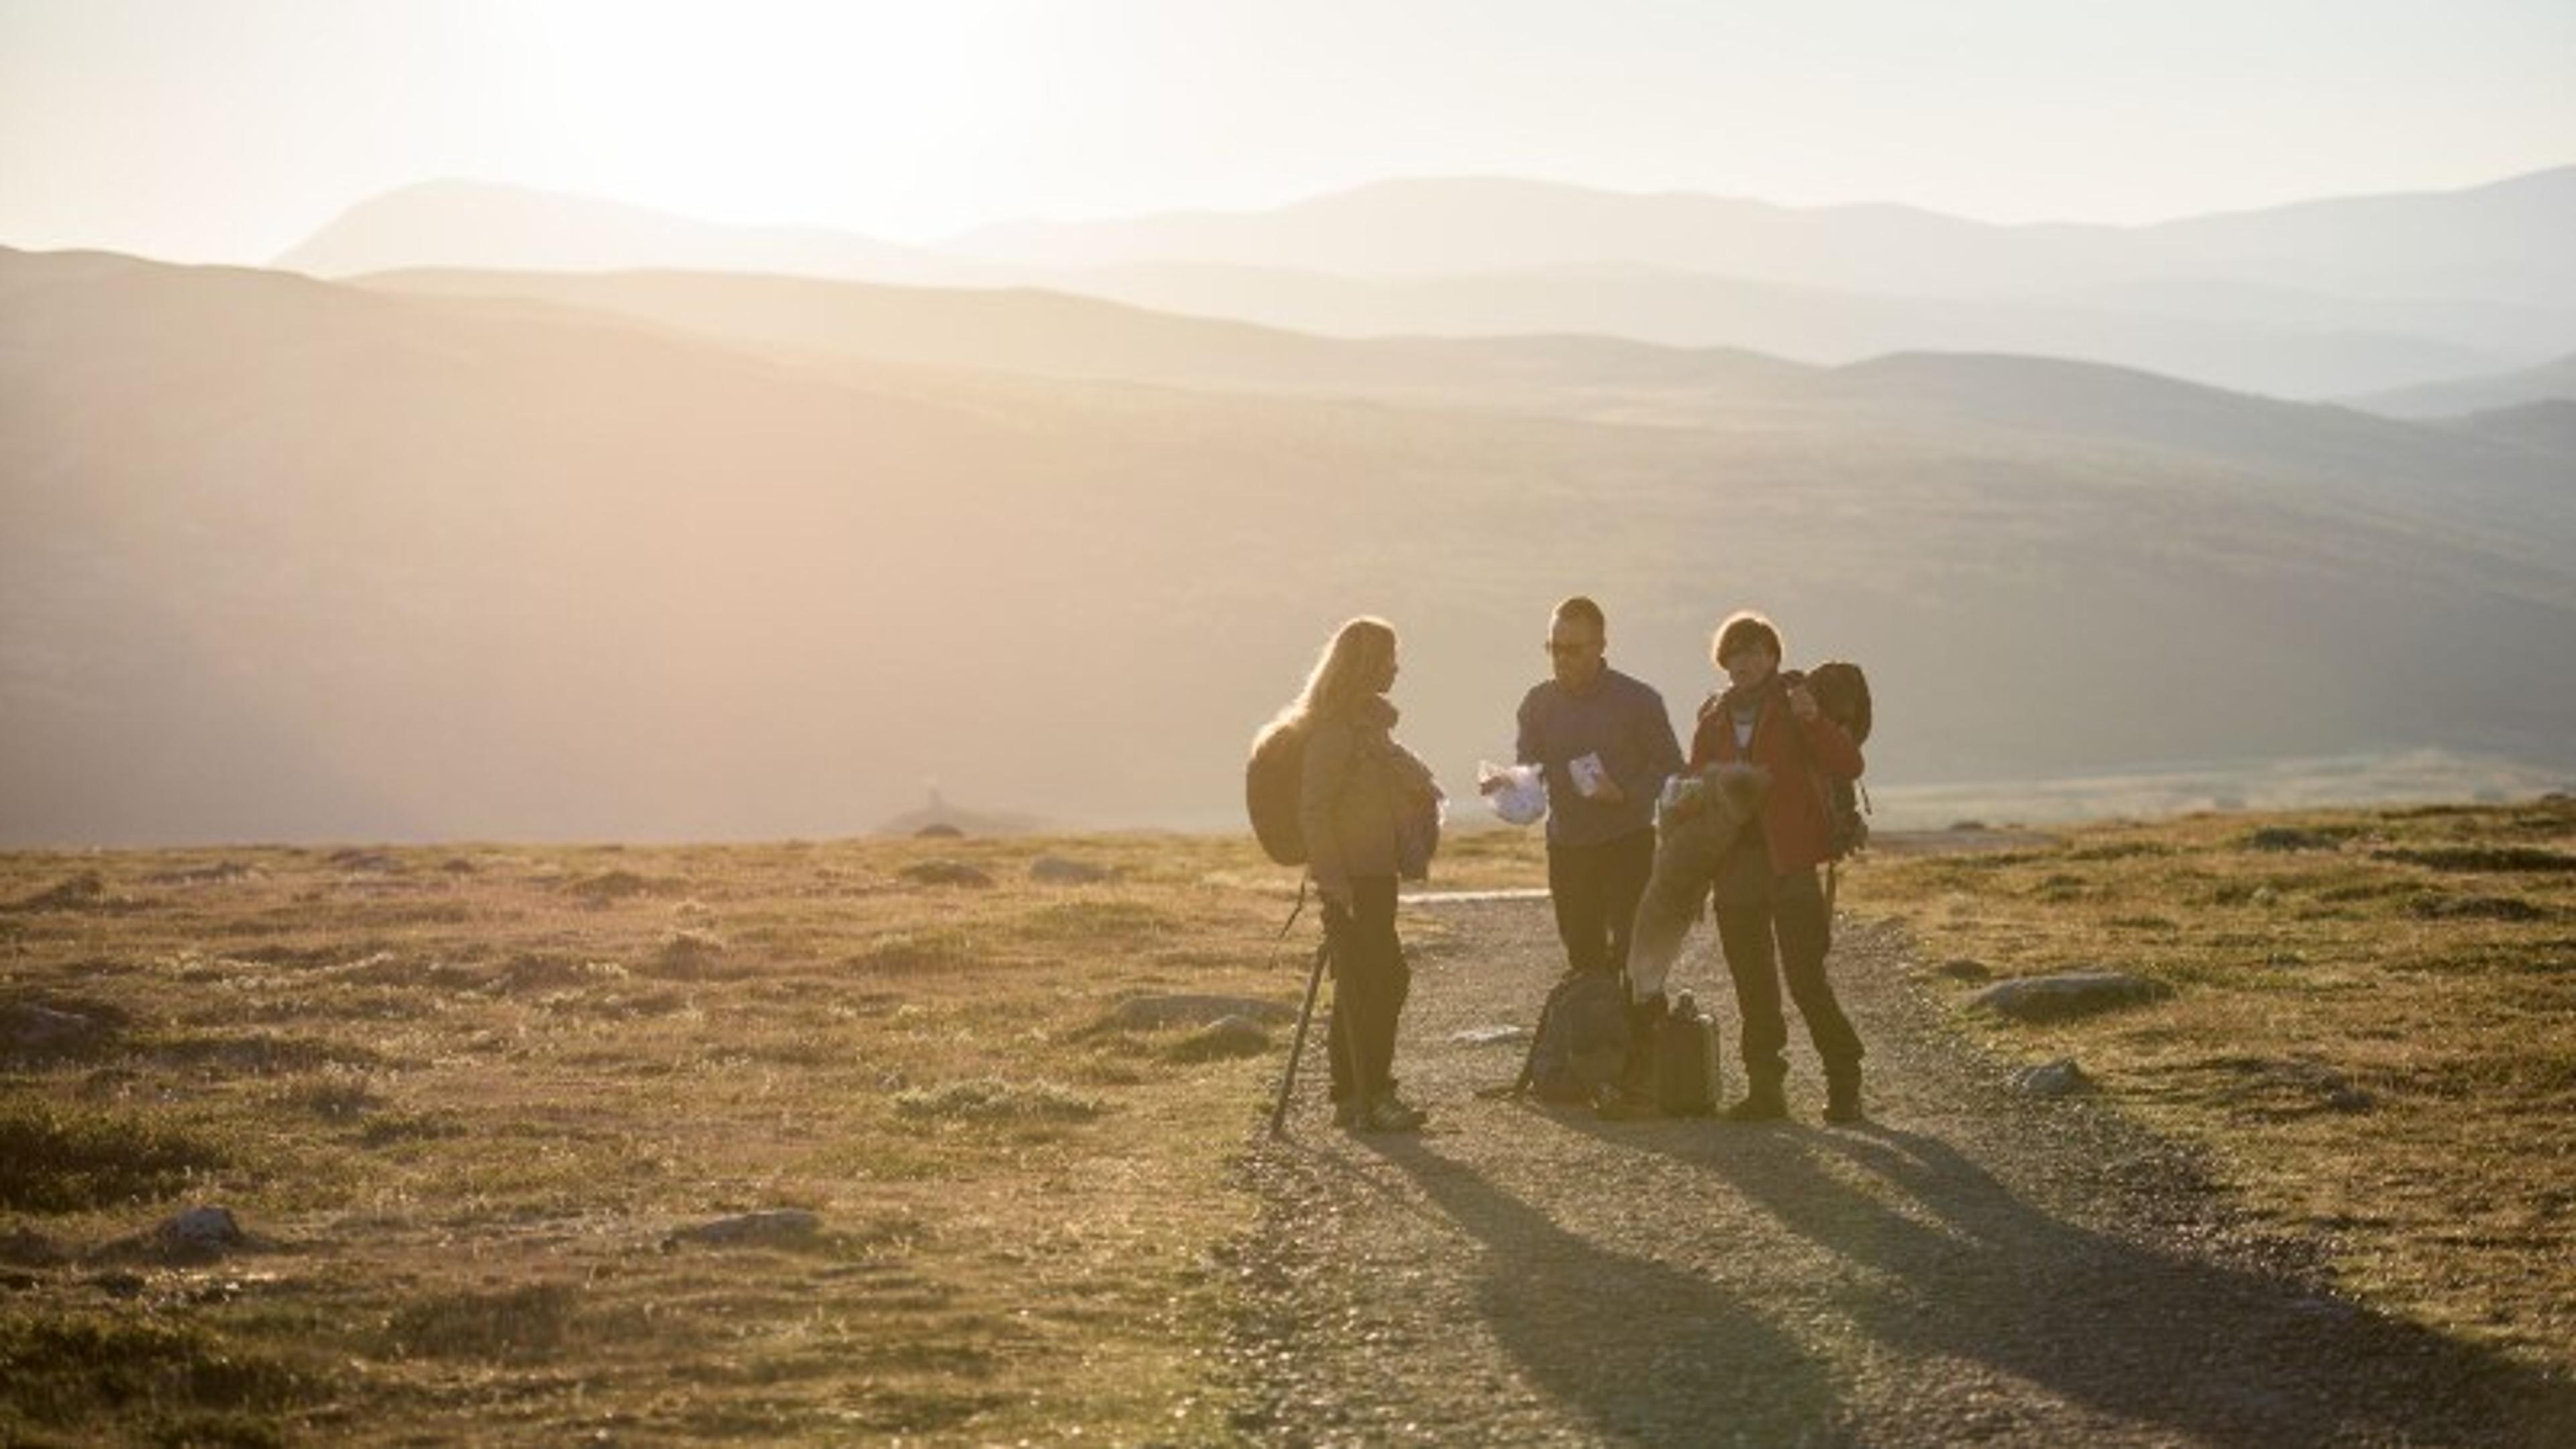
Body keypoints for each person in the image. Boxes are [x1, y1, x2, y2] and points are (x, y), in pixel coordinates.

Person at [1689, 610, 1868, 1124]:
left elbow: (1848, 765)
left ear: (1772, 658)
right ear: (1723, 661)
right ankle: (1766, 1091)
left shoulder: (1795, 706)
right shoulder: (1713, 718)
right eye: (1735, 652)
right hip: (1735, 867)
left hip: (1790, 864)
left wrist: (1814, 719)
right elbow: (1697, 783)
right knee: (1753, 985)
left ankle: (1844, 1080)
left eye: (1754, 651)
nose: (1743, 661)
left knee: (1806, 980)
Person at [1495, 597, 1684, 1042]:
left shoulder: (1638, 700)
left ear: (1601, 645)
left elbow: (1672, 766)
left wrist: (1627, 794)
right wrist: (1510, 789)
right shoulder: (1537, 703)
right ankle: (1594, 1058)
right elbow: (1529, 768)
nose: (1563, 658)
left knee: (1634, 956)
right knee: (1582, 955)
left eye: (1574, 648)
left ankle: (1642, 1057)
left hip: (1628, 840)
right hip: (1567, 846)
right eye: (1554, 647)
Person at [1278, 616, 1441, 1132]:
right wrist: (1334, 883)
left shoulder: (1367, 728)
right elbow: (1314, 811)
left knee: (1364, 984)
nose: (1397, 667)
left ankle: (1356, 1096)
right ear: (1368, 664)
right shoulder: (1335, 734)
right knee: (1379, 982)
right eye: (1390, 657)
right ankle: (1366, 1094)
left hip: (1373, 876)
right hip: (1353, 883)